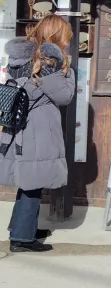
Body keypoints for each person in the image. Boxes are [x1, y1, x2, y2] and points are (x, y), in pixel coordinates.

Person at [0, 15, 76, 253]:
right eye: (66, 36)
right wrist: (68, 73)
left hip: (18, 125)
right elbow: (64, 96)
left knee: (29, 178)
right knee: (33, 182)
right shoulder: (50, 61)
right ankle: (22, 239)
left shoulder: (20, 57)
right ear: (57, 35)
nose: (68, 41)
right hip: (37, 128)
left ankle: (22, 227)